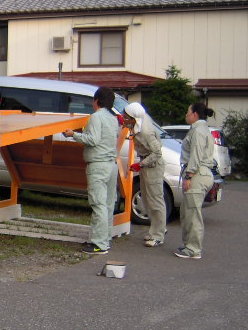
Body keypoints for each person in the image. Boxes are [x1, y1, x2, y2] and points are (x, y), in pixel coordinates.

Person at [63, 86, 119, 255]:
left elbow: (92, 140)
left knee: (98, 204)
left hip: (98, 164)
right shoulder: (113, 118)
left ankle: (99, 243)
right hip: (111, 164)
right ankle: (106, 238)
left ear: (96, 101)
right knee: (108, 204)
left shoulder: (96, 117)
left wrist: (74, 134)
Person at [123, 102, 166, 247]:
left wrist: (140, 164)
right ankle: (156, 229)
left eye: (126, 117)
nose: (124, 119)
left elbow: (157, 153)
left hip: (153, 165)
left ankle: (158, 235)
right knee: (147, 199)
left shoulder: (145, 132)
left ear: (133, 118)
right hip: (146, 164)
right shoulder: (138, 123)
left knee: (155, 200)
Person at [175, 102, 216, 260]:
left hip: (198, 174)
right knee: (187, 212)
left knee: (193, 213)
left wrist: (189, 175)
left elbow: (196, 154)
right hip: (201, 173)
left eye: (188, 112)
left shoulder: (198, 131)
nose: (186, 115)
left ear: (195, 114)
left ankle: (193, 249)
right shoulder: (202, 129)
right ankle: (188, 245)